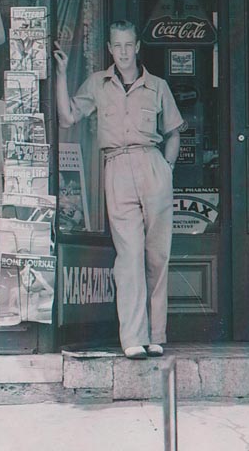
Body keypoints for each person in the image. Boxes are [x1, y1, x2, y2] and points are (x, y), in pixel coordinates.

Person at [54, 20, 182, 360]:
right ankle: (133, 338)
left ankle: (156, 334)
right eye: (117, 46)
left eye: (129, 45)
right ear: (109, 49)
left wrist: (166, 170)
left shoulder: (157, 87)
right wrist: (62, 74)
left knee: (156, 254)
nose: (124, 52)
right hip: (117, 167)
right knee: (129, 255)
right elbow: (67, 117)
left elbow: (174, 133)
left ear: (137, 46)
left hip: (152, 165)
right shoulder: (98, 84)